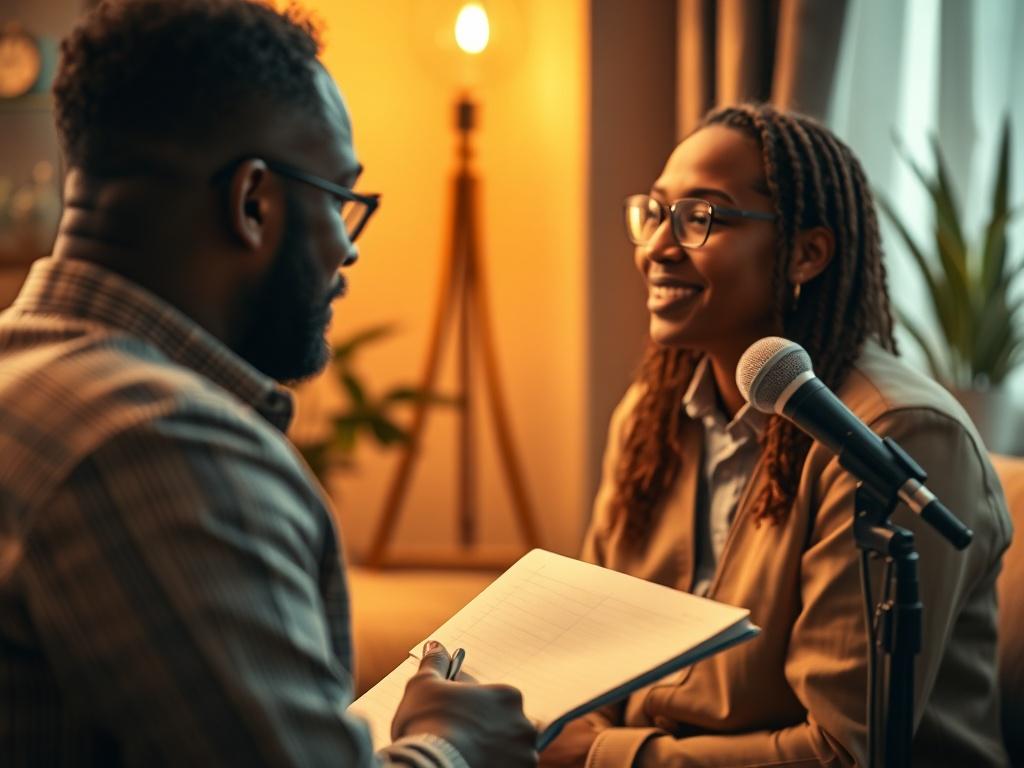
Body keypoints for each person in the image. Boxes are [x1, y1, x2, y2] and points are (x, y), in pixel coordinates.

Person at [0, 1, 537, 766]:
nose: (348, 249)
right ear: (254, 201)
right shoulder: (161, 445)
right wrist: (454, 748)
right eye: (342, 201)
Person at [542, 104, 1012, 767]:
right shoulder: (650, 417)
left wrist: (605, 756)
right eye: (654, 212)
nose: (656, 248)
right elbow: (591, 648)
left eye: (702, 217)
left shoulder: (893, 435)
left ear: (806, 252)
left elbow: (840, 753)